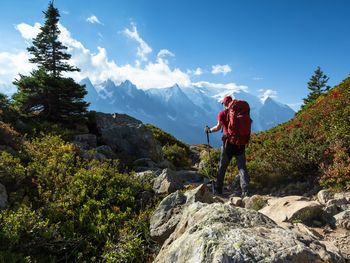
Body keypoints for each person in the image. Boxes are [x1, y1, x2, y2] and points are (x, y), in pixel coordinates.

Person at [204, 95, 250, 197]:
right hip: (240, 143)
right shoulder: (240, 112)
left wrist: (209, 130)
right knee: (242, 167)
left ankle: (218, 189)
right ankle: (245, 191)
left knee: (222, 166)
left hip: (228, 144)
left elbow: (217, 127)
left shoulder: (222, 114)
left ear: (225, 104)